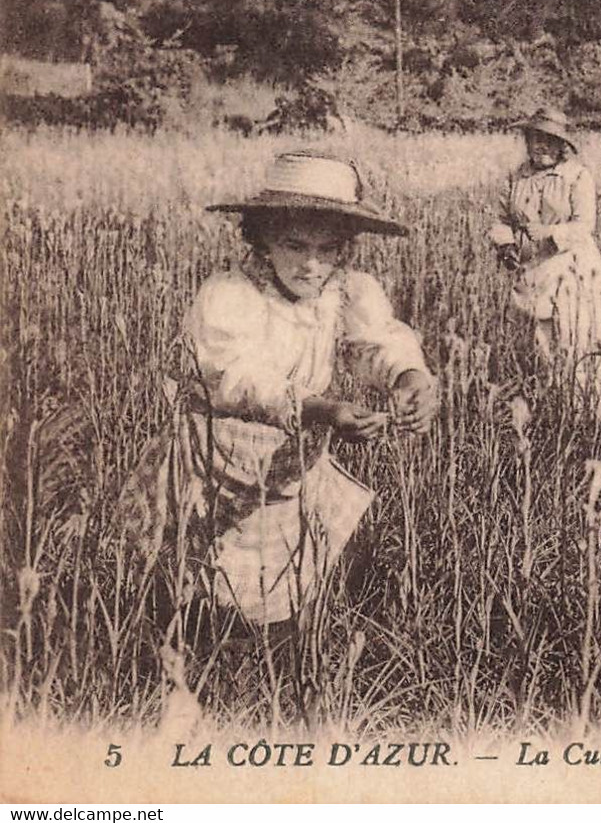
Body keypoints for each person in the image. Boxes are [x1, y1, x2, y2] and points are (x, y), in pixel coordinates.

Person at [127, 152, 439, 635]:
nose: (312, 264)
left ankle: (267, 668)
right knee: (200, 583)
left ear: (344, 250)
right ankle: (182, 661)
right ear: (263, 240)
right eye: (295, 245)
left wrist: (409, 378)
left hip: (288, 465)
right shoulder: (231, 297)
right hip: (216, 464)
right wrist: (319, 408)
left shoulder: (345, 293)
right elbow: (236, 379)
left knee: (280, 586)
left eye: (328, 248)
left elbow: (378, 342)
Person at [487, 107, 601, 402]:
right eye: (535, 138)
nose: (541, 145)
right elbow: (501, 219)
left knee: (578, 343)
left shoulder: (577, 176)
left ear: (563, 145)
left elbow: (585, 225)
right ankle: (554, 407)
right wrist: (505, 245)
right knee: (542, 347)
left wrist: (550, 233)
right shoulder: (517, 176)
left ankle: (587, 409)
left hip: (573, 270)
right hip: (533, 271)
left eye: (549, 139)